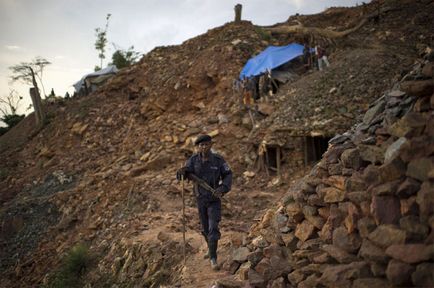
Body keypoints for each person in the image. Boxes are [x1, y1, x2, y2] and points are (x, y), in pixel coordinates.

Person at [176, 134, 232, 270]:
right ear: (198, 147)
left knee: (213, 227)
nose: (204, 147)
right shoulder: (193, 160)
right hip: (200, 198)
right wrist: (181, 172)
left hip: (214, 200)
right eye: (201, 145)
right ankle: (210, 249)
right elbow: (185, 172)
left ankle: (213, 259)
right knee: (205, 228)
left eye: (206, 144)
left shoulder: (218, 160)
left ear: (211, 145)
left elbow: (228, 175)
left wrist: (222, 188)